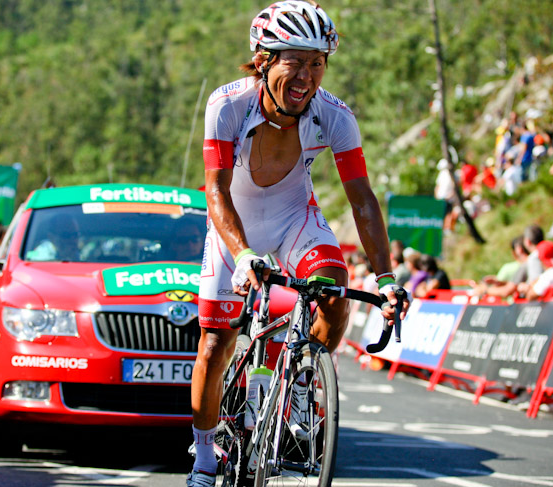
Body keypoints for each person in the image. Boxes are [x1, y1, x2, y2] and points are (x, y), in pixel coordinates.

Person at [187, 2, 410, 485]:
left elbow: (363, 201)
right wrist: (243, 255)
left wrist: (388, 280)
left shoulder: (334, 115)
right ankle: (204, 457)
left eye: (318, 62)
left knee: (334, 288)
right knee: (214, 344)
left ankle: (304, 377)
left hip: (294, 221)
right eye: (296, 60)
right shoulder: (226, 105)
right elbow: (216, 191)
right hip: (233, 227)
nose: (308, 75)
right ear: (264, 59)